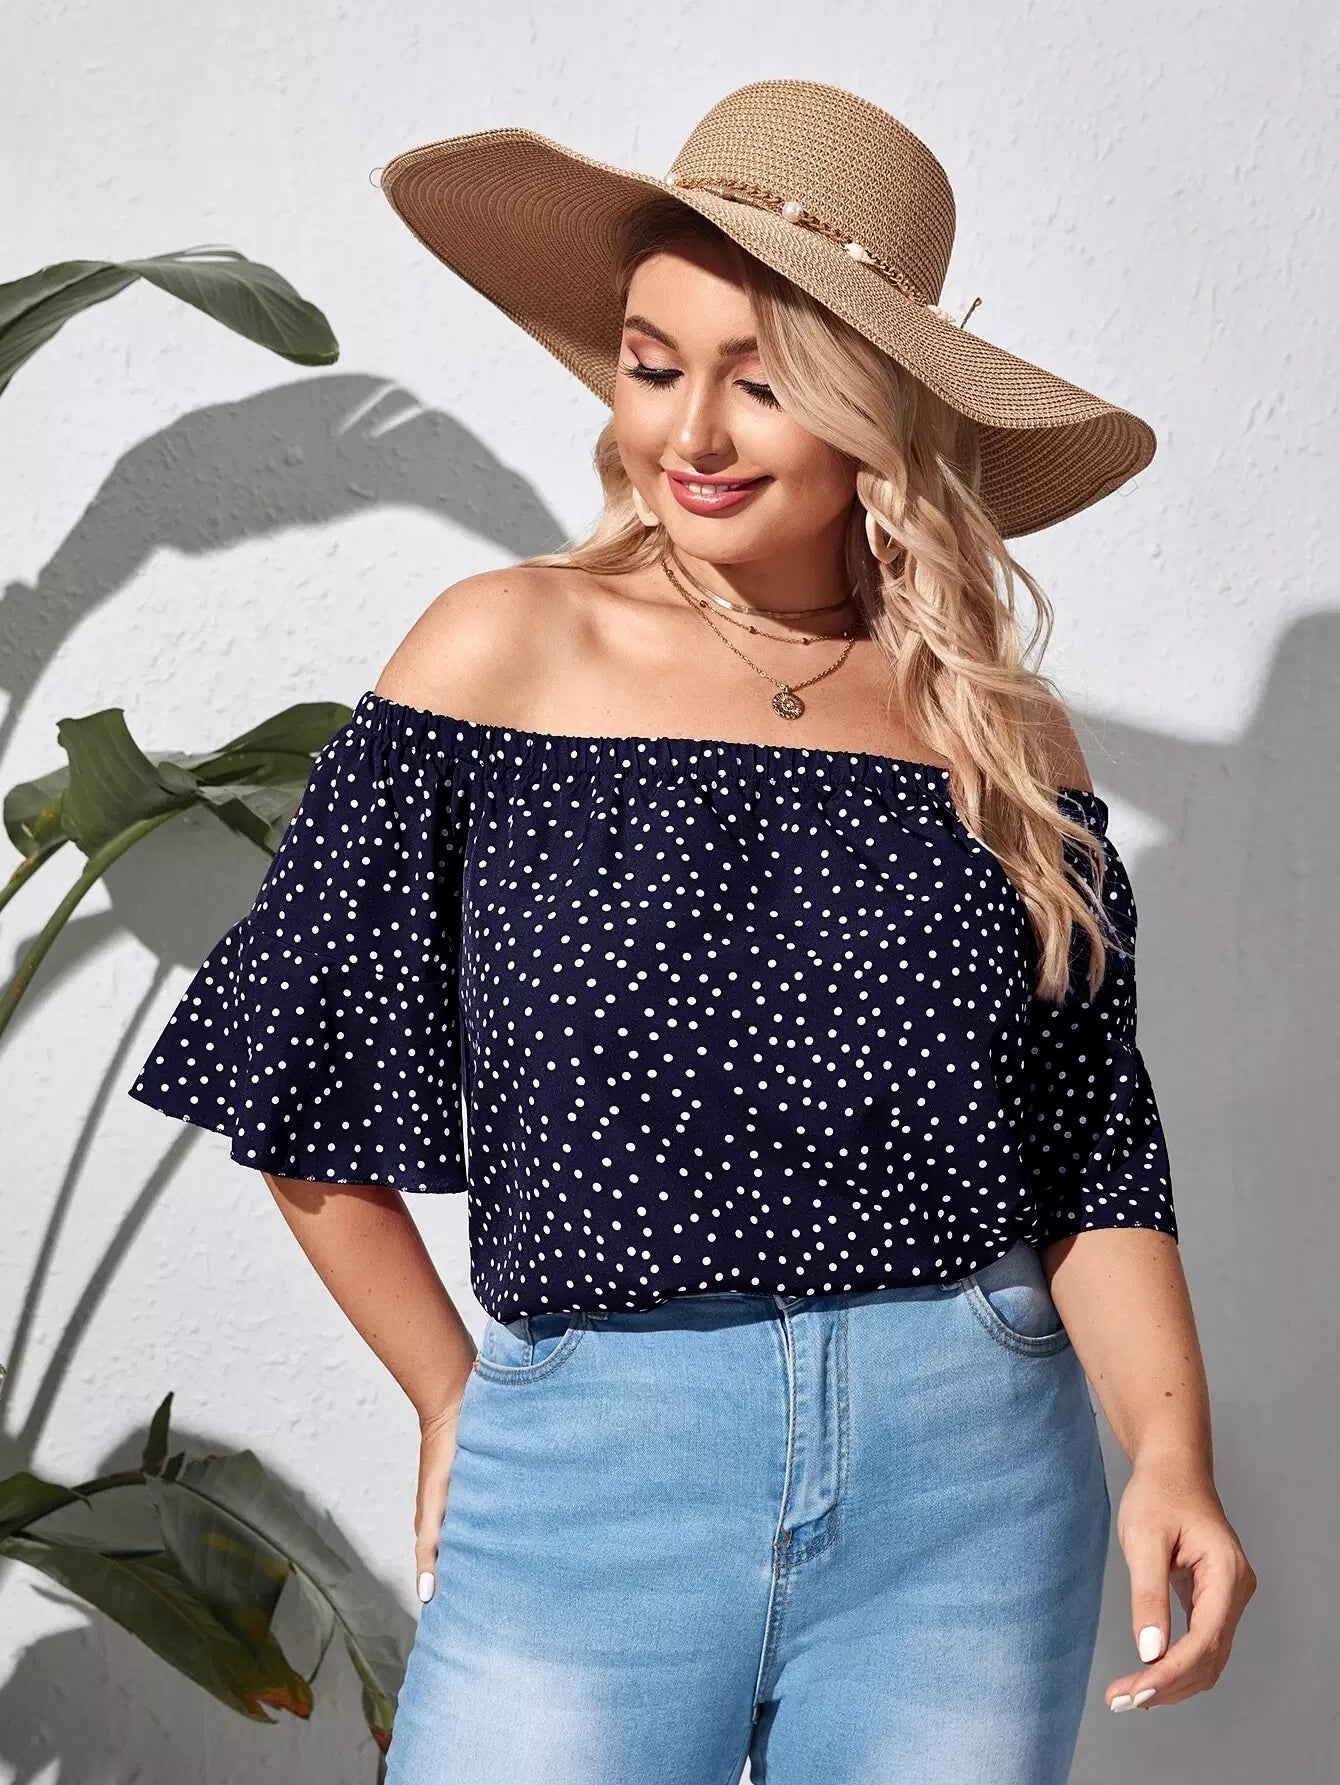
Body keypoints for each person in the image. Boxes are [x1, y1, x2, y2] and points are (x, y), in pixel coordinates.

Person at [127, 79, 1255, 1784]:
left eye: (766, 380)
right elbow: (299, 1085)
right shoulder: (501, 654)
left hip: (972, 1472)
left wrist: (1171, 1455)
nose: (696, 434)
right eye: (656, 365)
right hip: (598, 1458)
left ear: (878, 411)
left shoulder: (1001, 730)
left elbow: (1088, 1147)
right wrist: (454, 1398)